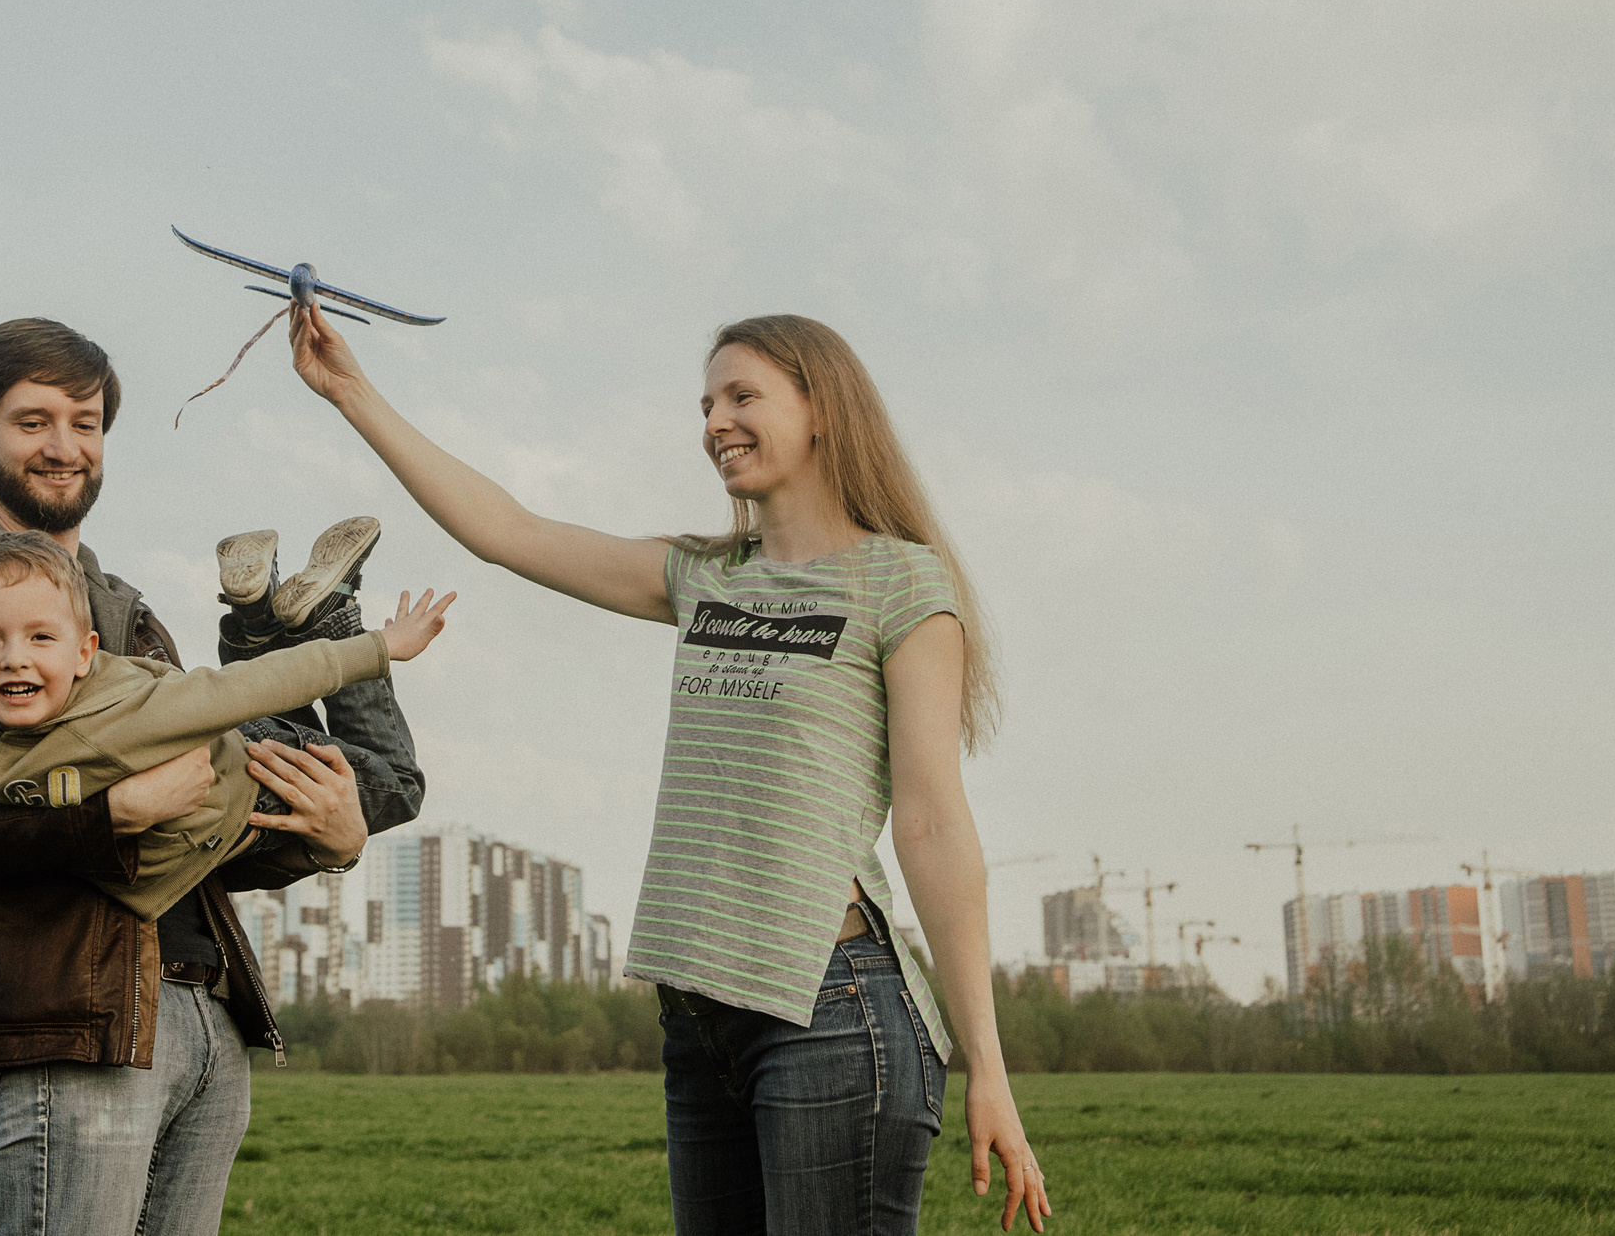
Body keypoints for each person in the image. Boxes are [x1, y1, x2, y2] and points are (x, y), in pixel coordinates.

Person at [287, 307, 1051, 1236]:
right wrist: (352, 392)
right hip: (697, 1015)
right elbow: (508, 531)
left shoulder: (900, 582)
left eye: (742, 396)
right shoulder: (704, 575)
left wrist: (991, 1071)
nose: (714, 422)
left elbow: (932, 823)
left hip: (831, 1008)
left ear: (822, 409)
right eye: (705, 403)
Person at [0, 318, 427, 1236]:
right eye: (33, 421)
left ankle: (280, 626)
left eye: (85, 423)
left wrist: (329, 842)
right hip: (72, 1026)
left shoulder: (120, 609)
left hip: (203, 1012)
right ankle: (291, 624)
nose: (64, 446)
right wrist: (113, 810)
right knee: (392, 776)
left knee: (378, 790)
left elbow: (198, 827)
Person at [0, 530, 451, 920]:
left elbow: (256, 686)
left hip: (246, 778)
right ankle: (261, 608)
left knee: (399, 784)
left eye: (40, 639)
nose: (13, 660)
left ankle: (323, 613)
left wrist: (380, 646)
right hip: (223, 767)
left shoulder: (132, 712)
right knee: (291, 726)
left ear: (85, 651)